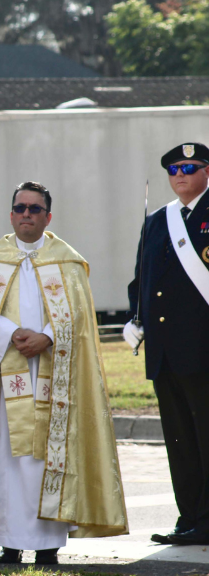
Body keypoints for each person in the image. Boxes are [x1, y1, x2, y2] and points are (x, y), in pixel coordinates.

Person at [0, 182, 128, 565]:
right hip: (6, 373)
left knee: (46, 457)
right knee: (7, 456)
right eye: (20, 208)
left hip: (54, 373)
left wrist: (48, 338)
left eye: (34, 209)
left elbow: (81, 317)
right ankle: (10, 542)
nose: (26, 214)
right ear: (11, 215)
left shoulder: (67, 262)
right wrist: (12, 334)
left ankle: (48, 545)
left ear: (47, 217)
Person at [127, 143, 209, 546]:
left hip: (203, 349)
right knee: (179, 438)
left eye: (190, 167)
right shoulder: (159, 220)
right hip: (165, 352)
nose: (180, 174)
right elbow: (141, 278)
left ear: (206, 171)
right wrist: (133, 317)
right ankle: (189, 516)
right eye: (174, 168)